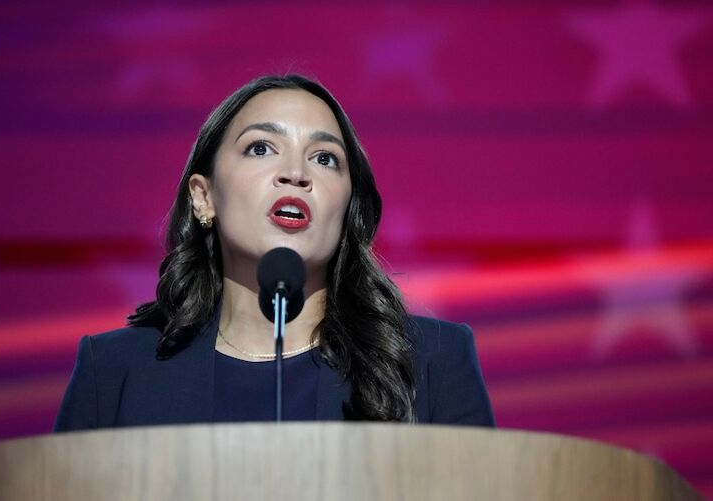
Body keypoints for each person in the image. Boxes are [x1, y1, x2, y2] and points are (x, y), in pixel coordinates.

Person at [54, 74, 494, 429]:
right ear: (204, 197)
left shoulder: (434, 361)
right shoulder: (113, 371)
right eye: (261, 148)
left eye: (325, 159)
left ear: (346, 208)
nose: (296, 173)